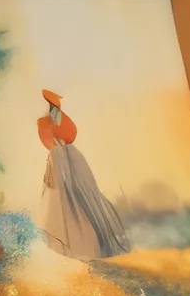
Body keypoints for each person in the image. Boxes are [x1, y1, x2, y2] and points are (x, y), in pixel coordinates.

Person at [35, 89, 131, 261]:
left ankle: (83, 245)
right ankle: (70, 246)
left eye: (55, 106)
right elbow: (52, 142)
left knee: (78, 198)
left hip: (68, 161)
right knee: (60, 201)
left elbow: (68, 136)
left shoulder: (62, 126)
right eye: (53, 105)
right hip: (59, 161)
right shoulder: (44, 123)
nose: (54, 108)